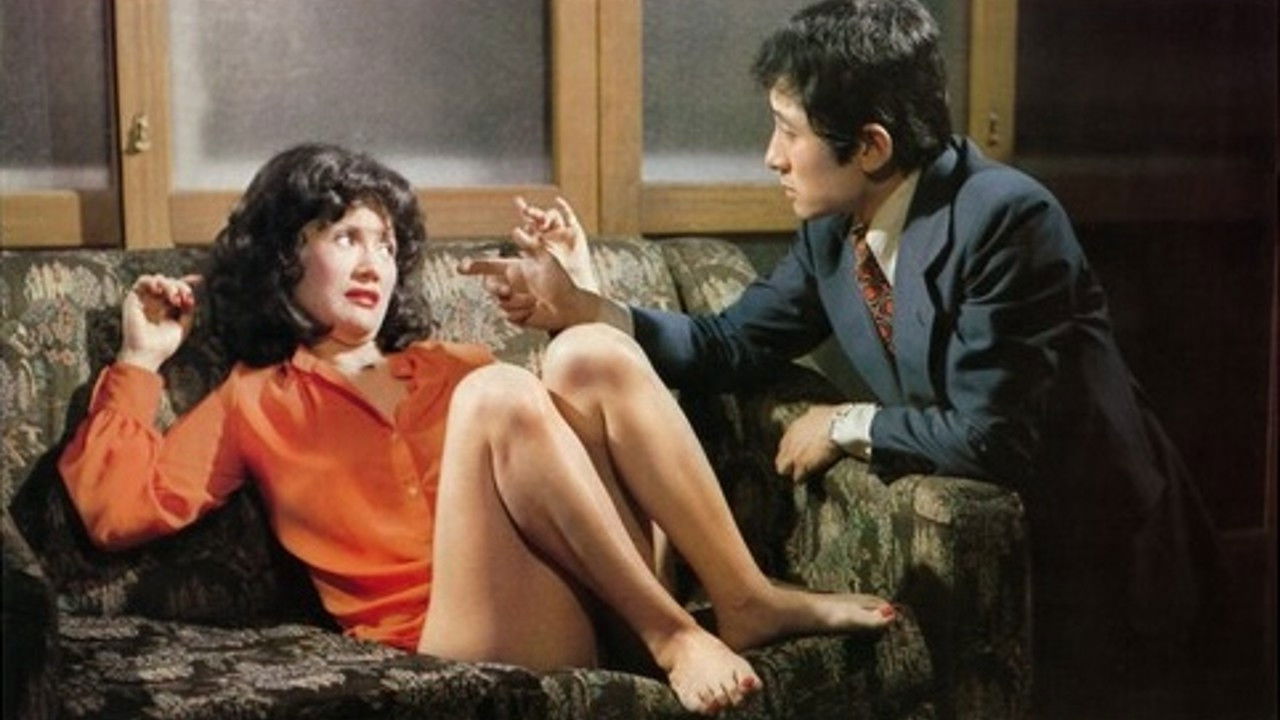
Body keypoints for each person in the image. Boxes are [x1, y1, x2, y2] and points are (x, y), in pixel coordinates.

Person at [460, 1, 1223, 717]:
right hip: (1002, 556)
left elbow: (994, 436)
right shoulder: (837, 228)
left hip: (1101, 554)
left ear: (871, 146)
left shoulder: (1005, 218)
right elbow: (731, 344)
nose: (772, 157)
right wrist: (582, 306)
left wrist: (847, 422)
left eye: (789, 133)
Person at [56, 143, 899, 716]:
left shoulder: (445, 366)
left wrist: (580, 286)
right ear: (284, 257)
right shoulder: (256, 399)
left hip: (597, 592)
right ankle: (675, 636)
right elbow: (113, 510)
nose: (373, 261)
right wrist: (140, 360)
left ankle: (743, 598)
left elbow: (581, 448)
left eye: (386, 243)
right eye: (344, 237)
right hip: (457, 638)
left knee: (586, 355)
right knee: (502, 394)